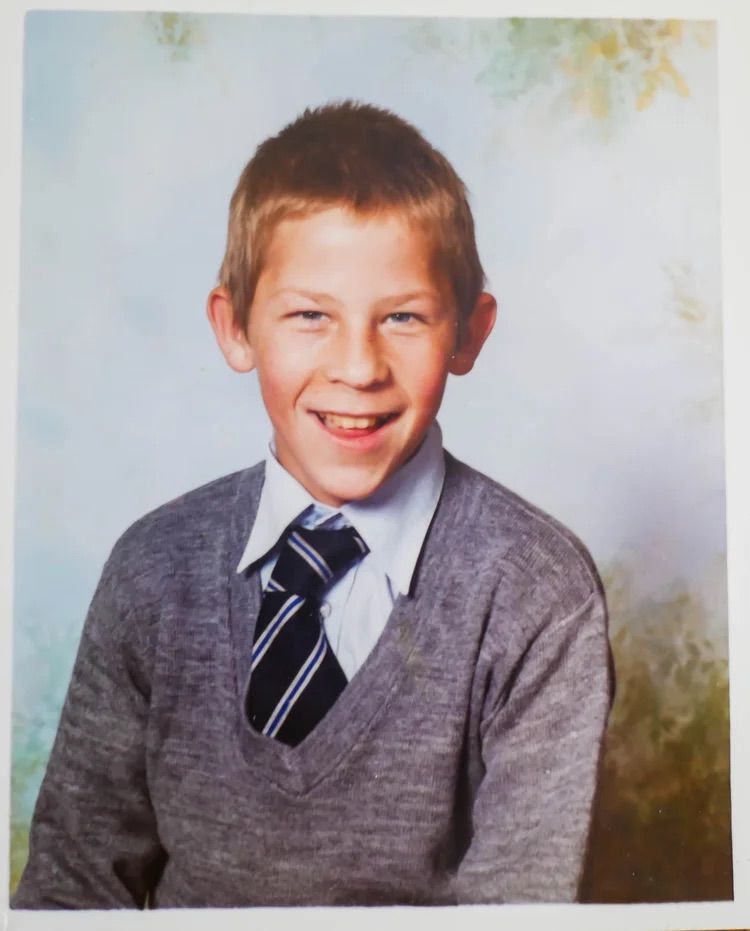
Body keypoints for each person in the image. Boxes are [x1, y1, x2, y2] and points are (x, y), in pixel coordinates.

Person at [12, 100, 613, 909]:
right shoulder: (153, 571)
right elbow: (75, 885)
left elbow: (519, 911)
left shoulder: (535, 590)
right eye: (309, 316)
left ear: (468, 334)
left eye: (402, 317)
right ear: (236, 328)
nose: (357, 366)